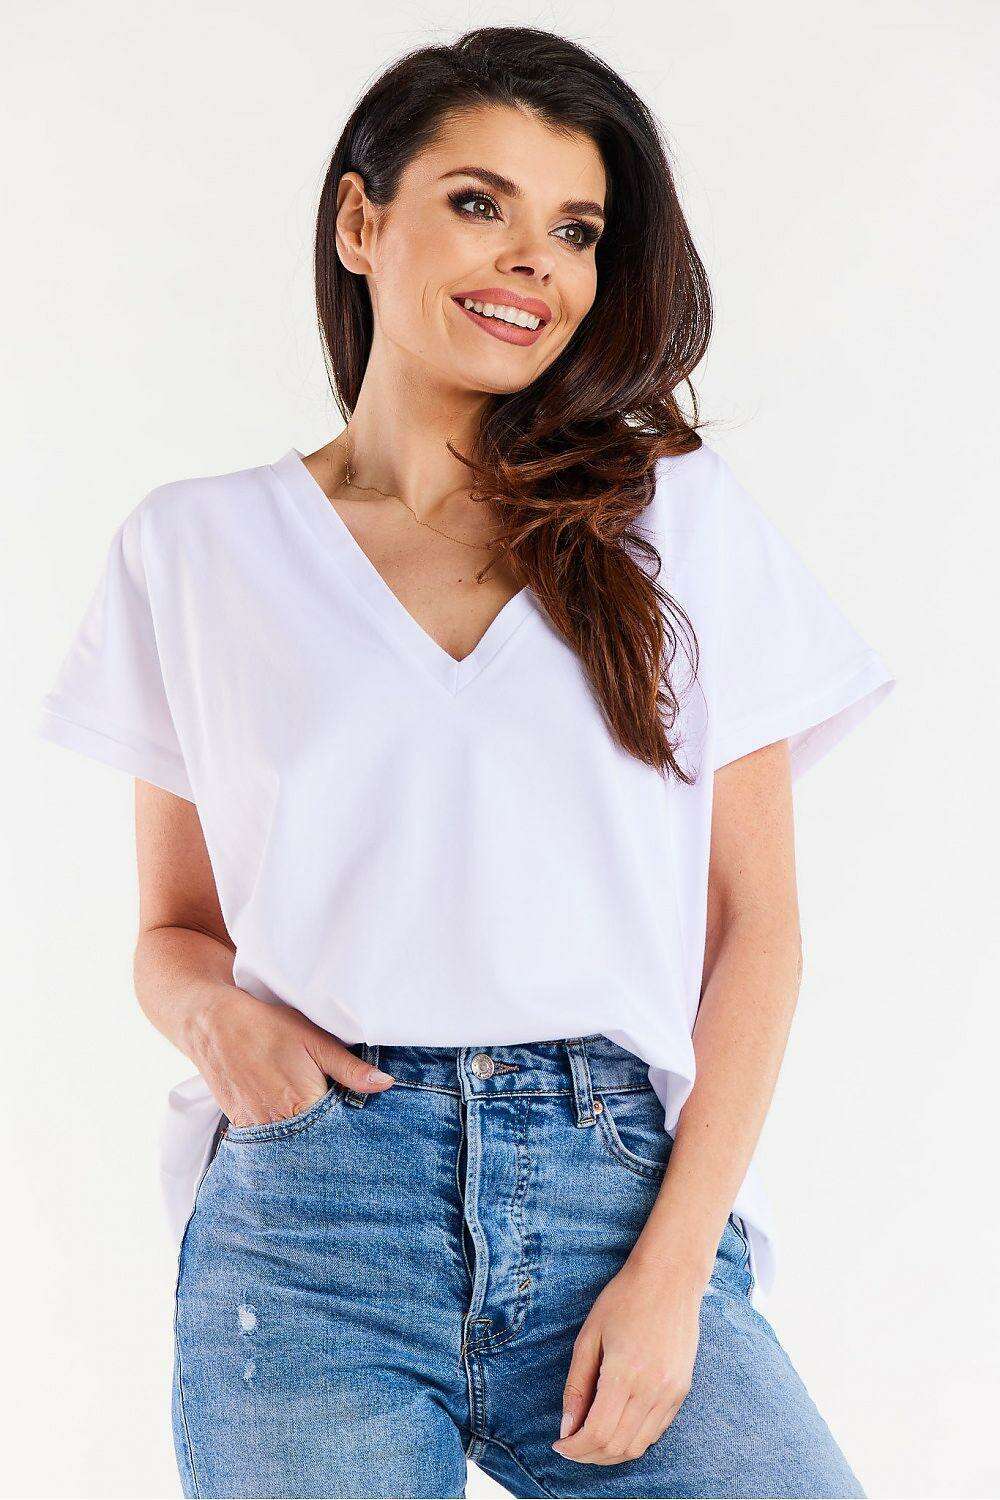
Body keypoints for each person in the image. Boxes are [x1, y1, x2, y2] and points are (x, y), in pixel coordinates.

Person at [38, 24, 894, 1500]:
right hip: (312, 1225)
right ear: (360, 221)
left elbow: (757, 932)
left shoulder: (674, 519)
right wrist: (219, 1025)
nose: (532, 265)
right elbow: (173, 930)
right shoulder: (195, 548)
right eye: (480, 202)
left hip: (614, 1194)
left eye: (577, 231)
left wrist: (674, 1271)